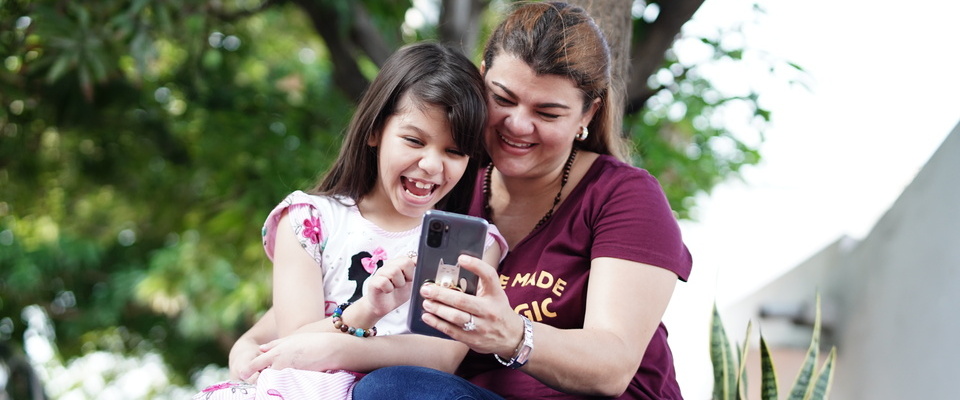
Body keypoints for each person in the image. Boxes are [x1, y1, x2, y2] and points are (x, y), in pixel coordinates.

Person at [351, 2, 692, 399]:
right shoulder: (446, 180)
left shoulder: (623, 196)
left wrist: (512, 334)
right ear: (481, 79)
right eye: (504, 99)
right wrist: (262, 342)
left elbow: (612, 365)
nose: (518, 124)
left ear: (587, 114)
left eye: (547, 113)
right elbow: (346, 260)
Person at [197, 42, 505, 400]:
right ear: (375, 131)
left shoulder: (472, 245)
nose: (432, 165)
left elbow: (441, 356)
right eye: (413, 140)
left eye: (454, 151)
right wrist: (367, 310)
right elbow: (295, 340)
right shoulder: (309, 221)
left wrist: (339, 347)